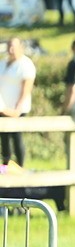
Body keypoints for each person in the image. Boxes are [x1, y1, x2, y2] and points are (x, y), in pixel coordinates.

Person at [0, 38, 35, 166]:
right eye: (9, 47)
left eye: (13, 47)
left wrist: (17, 109)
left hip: (17, 109)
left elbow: (26, 88)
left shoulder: (25, 64)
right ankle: (5, 168)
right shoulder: (3, 63)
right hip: (3, 108)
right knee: (4, 139)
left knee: (16, 137)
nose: (10, 50)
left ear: (21, 47)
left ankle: (20, 167)